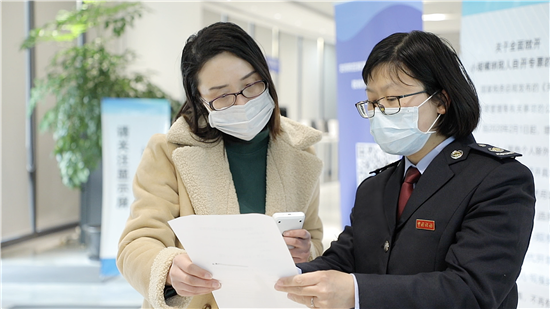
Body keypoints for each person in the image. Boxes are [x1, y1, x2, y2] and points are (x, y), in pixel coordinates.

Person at [275, 30, 536, 309]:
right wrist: (279, 275)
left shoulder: (498, 179)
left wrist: (358, 292)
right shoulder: (376, 187)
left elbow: (473, 290)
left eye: (393, 99)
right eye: (373, 102)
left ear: (441, 101)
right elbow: (343, 259)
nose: (380, 112)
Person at [117, 22, 324, 309]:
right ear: (200, 100)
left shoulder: (300, 151)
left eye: (251, 85)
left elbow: (313, 237)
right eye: (222, 96)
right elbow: (136, 244)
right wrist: (169, 270)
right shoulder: (168, 151)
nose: (241, 103)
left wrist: (307, 250)